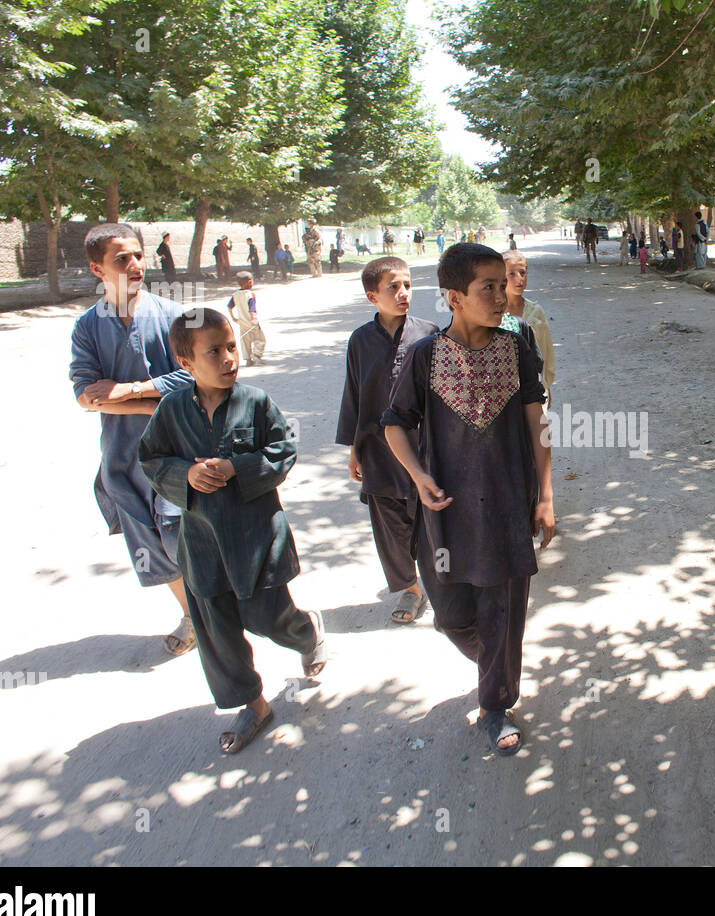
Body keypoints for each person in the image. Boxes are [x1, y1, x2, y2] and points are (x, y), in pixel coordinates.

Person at [382, 243, 555, 755]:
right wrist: (417, 476)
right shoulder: (424, 356)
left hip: (508, 504)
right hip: (446, 514)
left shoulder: (518, 343)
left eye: (504, 285)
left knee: (503, 609)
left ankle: (496, 704)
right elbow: (394, 426)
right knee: (453, 615)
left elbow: (536, 421)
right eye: (489, 287)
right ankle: (495, 663)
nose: (502, 295)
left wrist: (545, 496)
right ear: (454, 297)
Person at [139, 308, 327, 754]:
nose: (228, 358)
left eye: (231, 347)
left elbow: (283, 450)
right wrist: (185, 474)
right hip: (202, 543)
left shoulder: (255, 402)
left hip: (255, 538)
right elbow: (151, 459)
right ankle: (253, 705)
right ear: (185, 363)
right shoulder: (170, 409)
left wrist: (238, 467)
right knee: (218, 633)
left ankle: (306, 631)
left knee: (268, 618)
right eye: (214, 352)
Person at [69, 223, 195, 655]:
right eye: (122, 258)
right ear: (96, 268)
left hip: (179, 451)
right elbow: (85, 395)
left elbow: (196, 377)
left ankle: (220, 616)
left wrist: (126, 390)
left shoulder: (175, 316)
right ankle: (192, 616)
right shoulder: (87, 327)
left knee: (181, 534)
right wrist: (149, 402)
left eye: (139, 255)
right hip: (124, 457)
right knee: (148, 543)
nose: (136, 265)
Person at [336, 257, 439, 625]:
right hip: (377, 451)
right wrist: (353, 448)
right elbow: (354, 393)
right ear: (371, 296)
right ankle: (410, 589)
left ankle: (441, 584)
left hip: (422, 448)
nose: (403, 293)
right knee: (390, 526)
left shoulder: (429, 333)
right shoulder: (361, 341)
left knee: (431, 519)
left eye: (407, 285)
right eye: (393, 287)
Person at [502, 249, 555, 407]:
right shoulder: (492, 313)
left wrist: (547, 387)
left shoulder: (535, 311)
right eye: (512, 273)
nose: (519, 279)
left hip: (534, 390)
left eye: (523, 272)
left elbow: (546, 352)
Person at [228, 271, 265, 365]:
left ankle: (248, 359)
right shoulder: (250, 295)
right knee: (260, 339)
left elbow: (229, 306)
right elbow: (251, 308)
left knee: (245, 340)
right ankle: (257, 355)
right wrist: (254, 318)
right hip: (251, 321)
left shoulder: (235, 295)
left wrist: (233, 318)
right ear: (249, 282)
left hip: (242, 322)